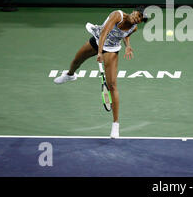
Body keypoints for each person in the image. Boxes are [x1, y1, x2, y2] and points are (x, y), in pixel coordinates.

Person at [53, 7, 148, 138]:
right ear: (134, 11)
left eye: (140, 20)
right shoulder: (117, 15)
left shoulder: (134, 27)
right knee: (76, 61)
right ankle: (70, 75)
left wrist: (128, 46)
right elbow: (104, 32)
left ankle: (115, 125)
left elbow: (125, 35)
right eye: (138, 15)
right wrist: (99, 52)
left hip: (112, 49)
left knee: (113, 85)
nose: (137, 19)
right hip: (98, 41)